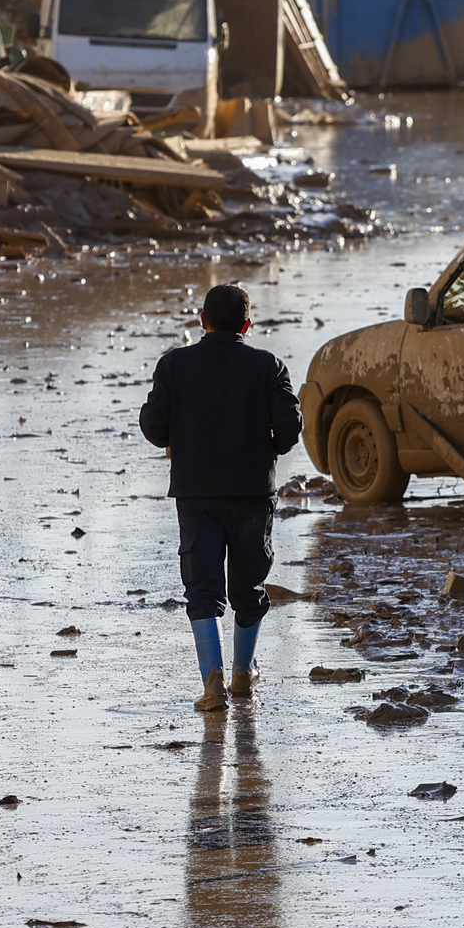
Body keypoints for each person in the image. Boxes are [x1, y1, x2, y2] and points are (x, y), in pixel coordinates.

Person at [138, 283, 303, 712]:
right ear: (247, 325)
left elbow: (153, 427)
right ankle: (244, 677)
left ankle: (213, 686)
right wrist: (270, 446)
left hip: (196, 494)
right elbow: (290, 428)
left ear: (201, 321)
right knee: (249, 587)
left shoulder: (174, 365)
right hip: (252, 493)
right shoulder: (269, 366)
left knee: (202, 589)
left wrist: (180, 435)